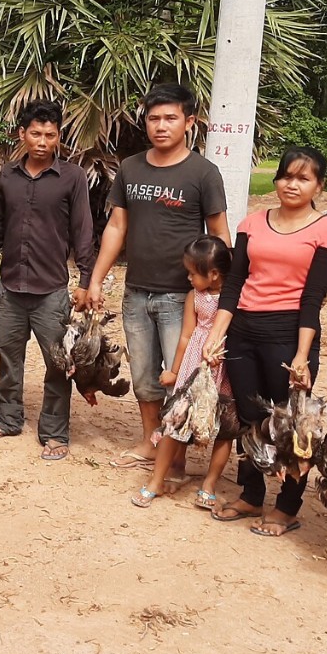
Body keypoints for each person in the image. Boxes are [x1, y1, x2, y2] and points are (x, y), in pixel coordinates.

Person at [203, 146, 327, 536]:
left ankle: (286, 506)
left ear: (319, 184)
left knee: (290, 422)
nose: (292, 185)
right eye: (287, 176)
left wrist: (302, 355)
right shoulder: (252, 224)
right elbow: (233, 285)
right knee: (250, 417)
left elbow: (312, 299)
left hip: (288, 335)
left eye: (303, 178)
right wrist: (217, 334)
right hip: (243, 332)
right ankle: (251, 494)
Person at [88, 83, 229, 483]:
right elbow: (117, 225)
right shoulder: (131, 167)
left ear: (189, 122)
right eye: (154, 118)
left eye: (171, 118)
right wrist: (97, 279)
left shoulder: (203, 172)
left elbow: (220, 234)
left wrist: (223, 296)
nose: (161, 126)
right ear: (144, 121)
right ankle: (151, 441)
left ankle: (177, 454)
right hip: (136, 291)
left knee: (181, 377)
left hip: (183, 296)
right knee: (145, 376)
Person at [0, 100, 95, 461]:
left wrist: (86, 279)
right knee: (9, 359)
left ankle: (55, 433)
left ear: (59, 137)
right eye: (36, 133)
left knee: (58, 364)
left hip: (52, 291)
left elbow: (83, 232)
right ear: (22, 134)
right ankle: (7, 419)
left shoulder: (72, 177)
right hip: (9, 288)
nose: (42, 141)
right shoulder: (7, 176)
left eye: (50, 135)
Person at [130, 236, 239, 508]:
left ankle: (209, 484)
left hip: (224, 368)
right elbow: (185, 336)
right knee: (175, 422)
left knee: (225, 426)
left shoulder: (235, 297)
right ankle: (156, 480)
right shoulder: (195, 297)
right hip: (194, 365)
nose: (188, 278)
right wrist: (174, 371)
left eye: (193, 273)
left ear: (214, 274)